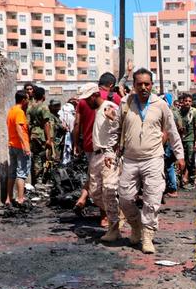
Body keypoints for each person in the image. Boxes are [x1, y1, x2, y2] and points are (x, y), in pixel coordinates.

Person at [114, 68, 184, 254]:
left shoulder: (160, 105)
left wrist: (180, 155)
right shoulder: (126, 103)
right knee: (125, 198)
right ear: (134, 85)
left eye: (147, 84)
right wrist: (108, 153)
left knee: (152, 200)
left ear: (152, 85)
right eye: (139, 84)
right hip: (130, 159)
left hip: (153, 159)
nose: (143, 87)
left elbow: (172, 131)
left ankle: (147, 236)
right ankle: (136, 226)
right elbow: (116, 129)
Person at [76, 82, 122, 242]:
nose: (86, 103)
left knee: (109, 190)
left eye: (87, 99)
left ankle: (114, 227)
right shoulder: (98, 110)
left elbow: (119, 128)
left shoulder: (109, 107)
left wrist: (113, 119)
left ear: (95, 95)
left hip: (107, 155)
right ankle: (116, 212)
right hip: (97, 155)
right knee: (95, 193)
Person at [5, 91, 30, 206]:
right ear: (23, 100)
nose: (28, 101)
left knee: (12, 172)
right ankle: (20, 199)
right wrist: (25, 145)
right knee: (21, 173)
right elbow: (18, 128)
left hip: (12, 145)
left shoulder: (11, 111)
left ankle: (8, 198)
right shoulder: (19, 112)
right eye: (28, 99)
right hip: (20, 146)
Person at [27, 86, 53, 184]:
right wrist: (49, 139)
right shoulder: (43, 107)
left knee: (36, 157)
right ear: (43, 96)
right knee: (44, 157)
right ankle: (41, 180)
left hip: (33, 134)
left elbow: (28, 122)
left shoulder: (30, 107)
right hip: (41, 135)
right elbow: (46, 123)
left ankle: (35, 180)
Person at [178, 94, 196, 185]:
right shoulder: (180, 112)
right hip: (181, 139)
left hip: (191, 140)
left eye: (189, 101)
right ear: (183, 102)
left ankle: (186, 177)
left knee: (190, 159)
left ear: (191, 102)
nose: (187, 103)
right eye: (186, 101)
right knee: (183, 159)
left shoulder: (194, 112)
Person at [58, 98, 77, 165]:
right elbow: (73, 130)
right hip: (67, 138)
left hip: (60, 139)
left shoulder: (60, 112)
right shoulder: (71, 114)